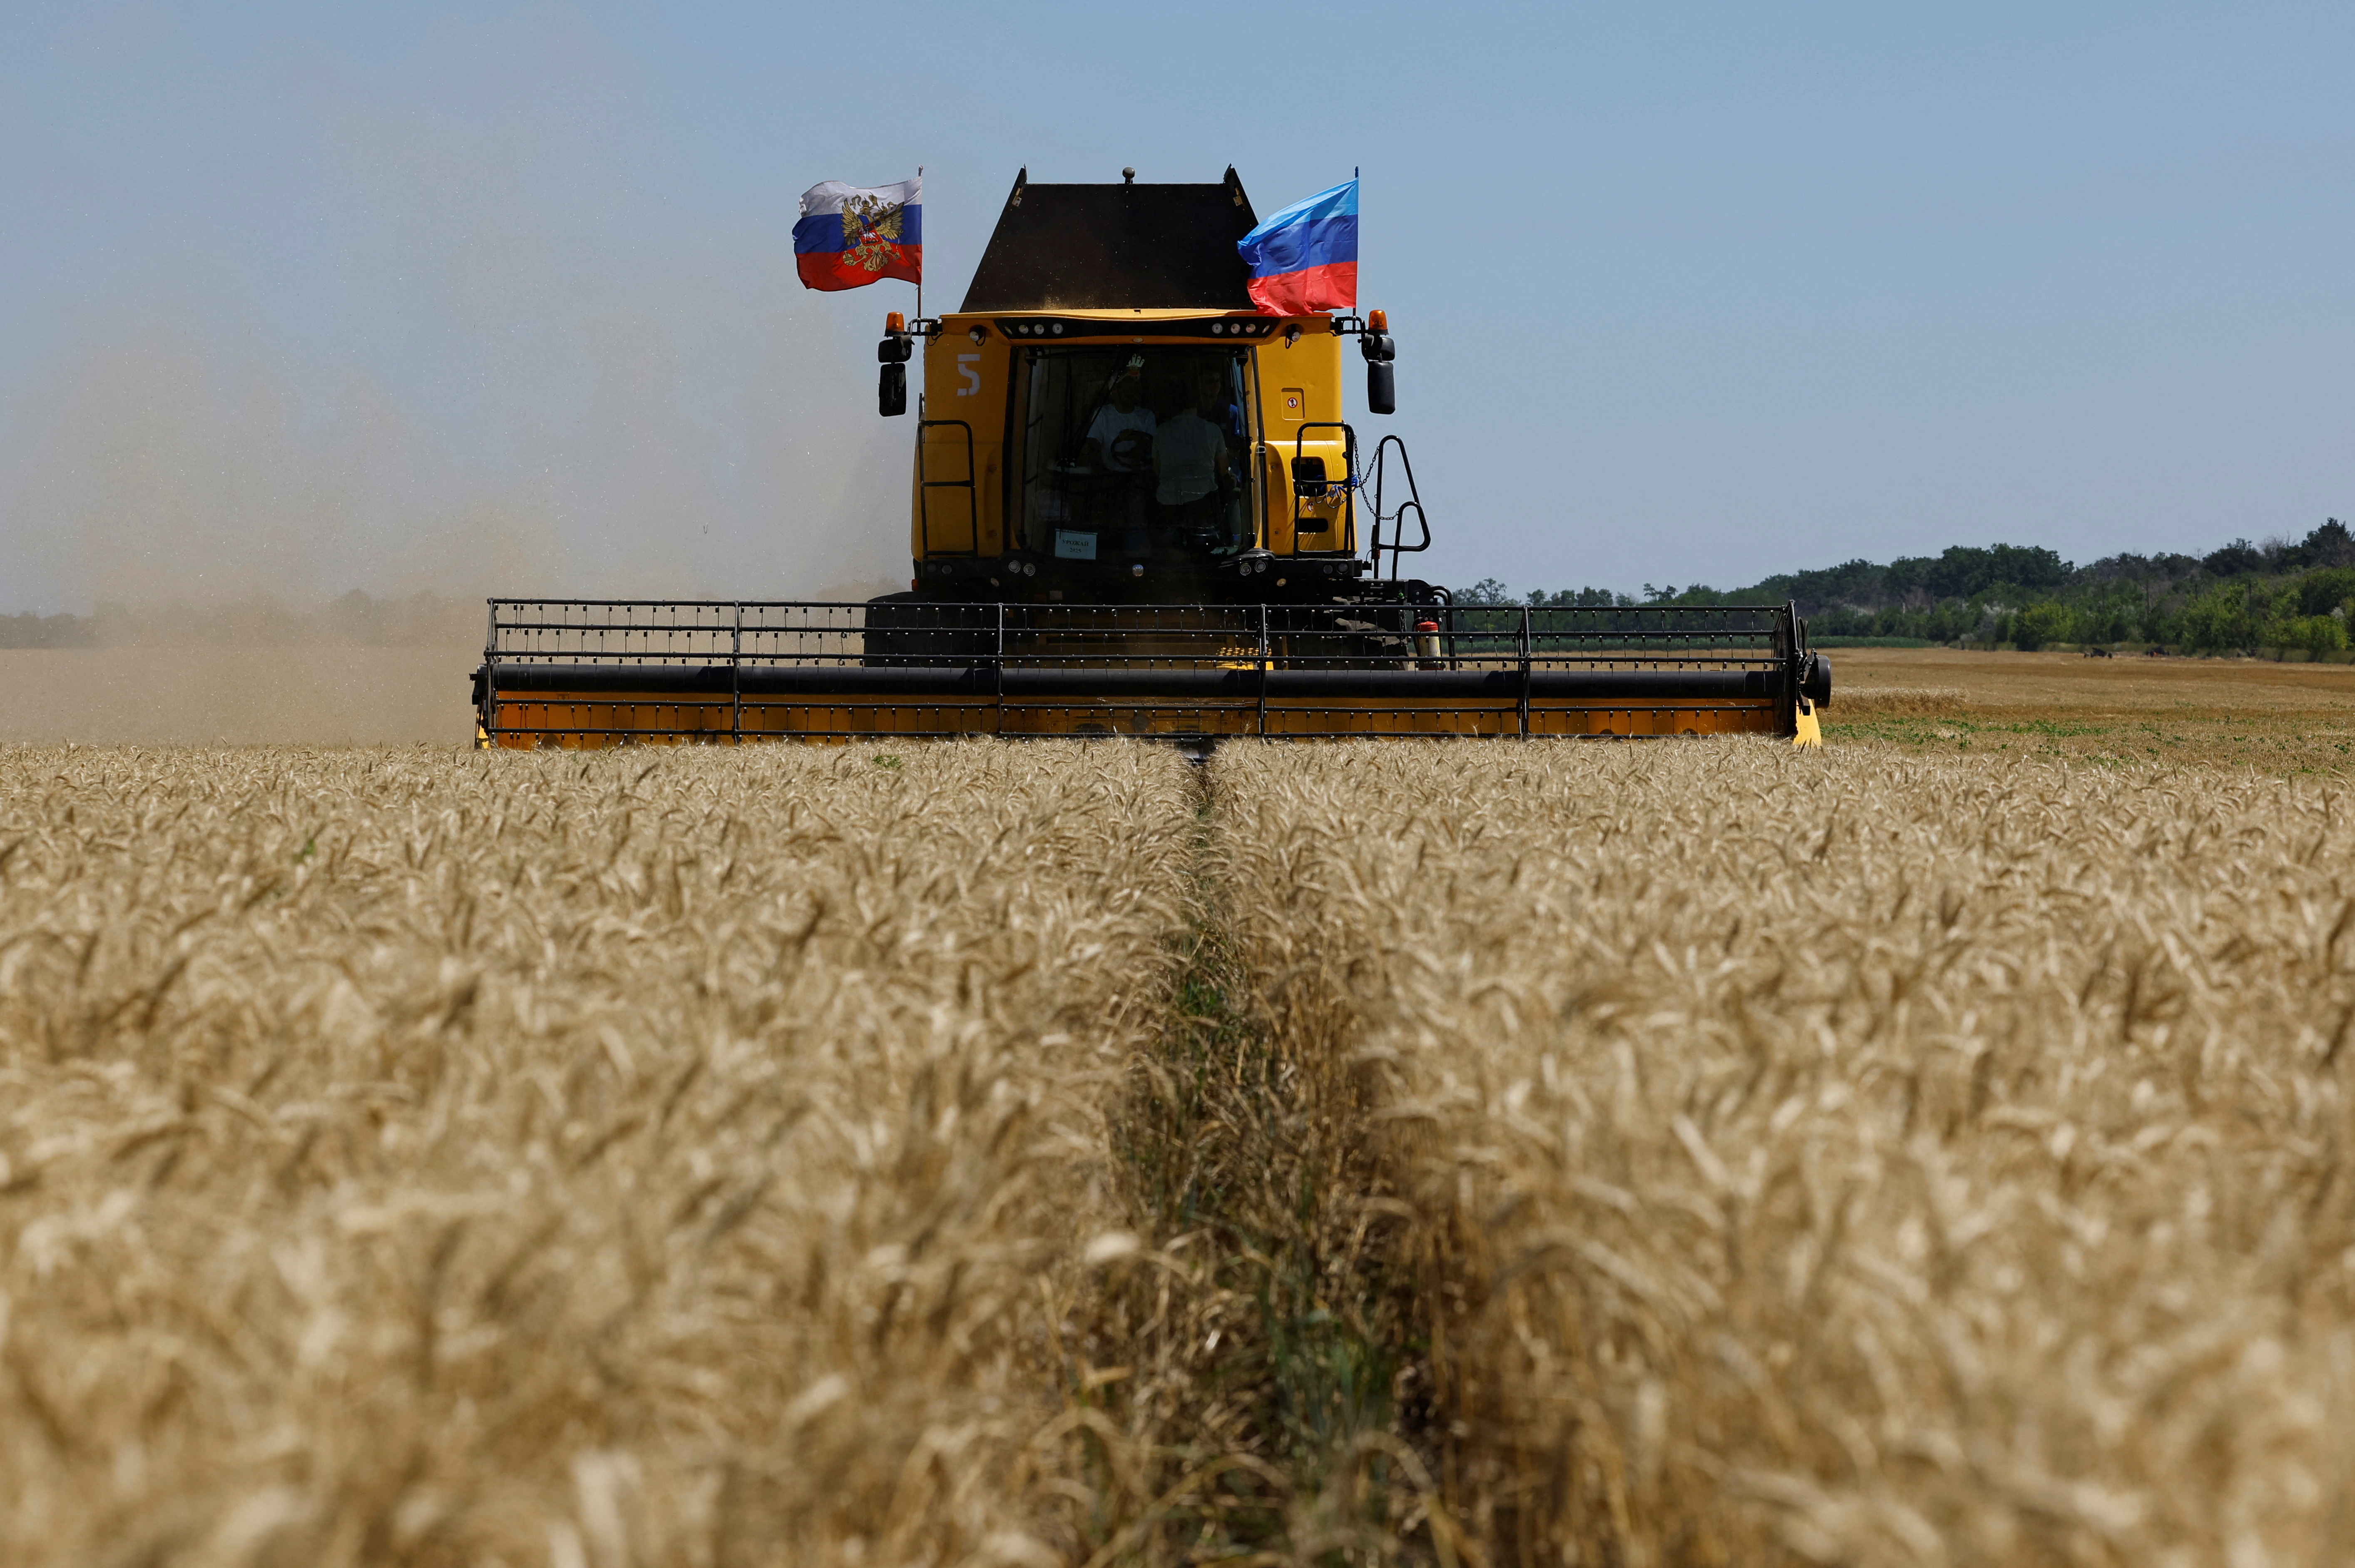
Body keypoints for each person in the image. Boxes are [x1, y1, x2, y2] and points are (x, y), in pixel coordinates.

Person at [1153, 373, 1235, 547]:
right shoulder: (1212, 430)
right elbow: (1223, 469)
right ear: (1197, 404)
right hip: (1203, 501)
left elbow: (1157, 470)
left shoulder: (1161, 431)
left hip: (1167, 501)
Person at [1080, 366, 1156, 552]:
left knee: (1137, 514)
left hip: (1139, 479)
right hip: (1110, 476)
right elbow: (1093, 445)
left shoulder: (1146, 416)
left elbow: (1152, 447)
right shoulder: (1103, 415)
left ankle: (1138, 554)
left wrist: (1137, 440)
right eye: (1126, 388)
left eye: (1133, 388)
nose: (1131, 392)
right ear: (1114, 392)